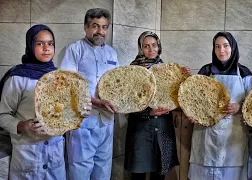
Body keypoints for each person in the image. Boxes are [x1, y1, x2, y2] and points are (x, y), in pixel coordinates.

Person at [0, 24, 66, 179]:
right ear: (30, 45)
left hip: (54, 152)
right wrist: (22, 125)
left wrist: (78, 114)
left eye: (50, 43)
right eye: (39, 43)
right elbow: (2, 115)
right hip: (28, 154)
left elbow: (65, 112)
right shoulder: (17, 78)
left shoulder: (60, 77)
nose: (46, 48)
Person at [60, 8, 119, 180]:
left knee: (103, 168)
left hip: (107, 122)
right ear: (86, 27)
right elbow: (67, 86)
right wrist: (95, 101)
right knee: (80, 169)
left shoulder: (112, 53)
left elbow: (118, 85)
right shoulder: (74, 50)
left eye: (104, 27)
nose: (100, 31)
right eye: (95, 26)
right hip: (83, 122)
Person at [187, 32, 252, 180]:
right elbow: (193, 101)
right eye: (217, 46)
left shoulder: (244, 74)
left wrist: (239, 107)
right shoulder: (205, 72)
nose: (221, 50)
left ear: (233, 47)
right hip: (205, 136)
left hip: (232, 138)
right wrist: (193, 115)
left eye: (225, 46)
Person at [124, 31, 181, 180]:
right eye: (146, 46)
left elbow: (177, 95)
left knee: (159, 171)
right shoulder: (132, 70)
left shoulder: (166, 69)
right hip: (141, 127)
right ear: (140, 48)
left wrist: (183, 76)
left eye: (154, 45)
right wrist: (149, 113)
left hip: (163, 127)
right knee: (138, 172)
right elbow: (127, 101)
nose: (151, 50)